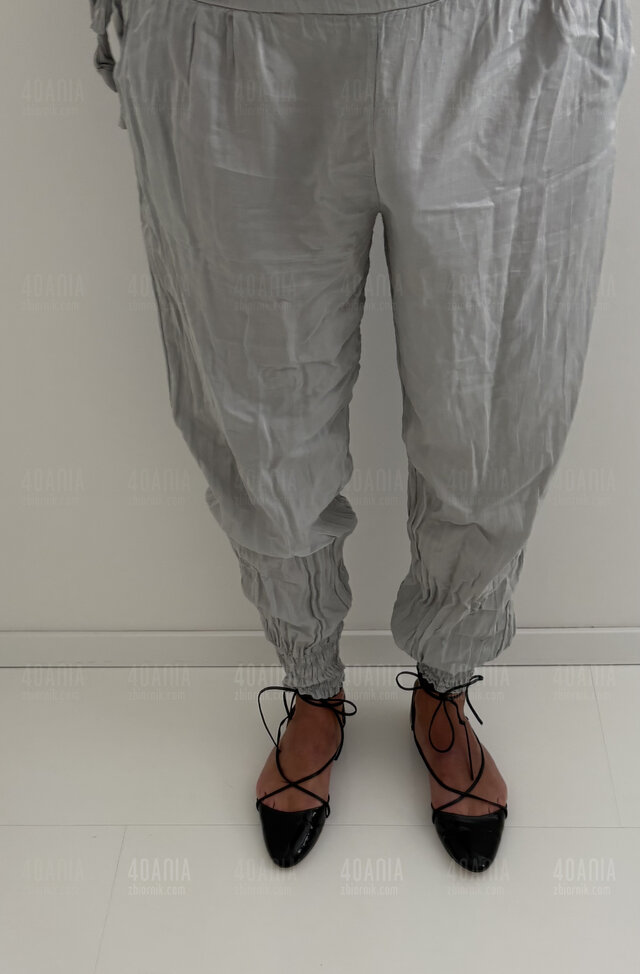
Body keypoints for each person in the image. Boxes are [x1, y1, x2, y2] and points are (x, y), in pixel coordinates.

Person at [89, 0, 633, 872]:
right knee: (260, 420)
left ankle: (444, 688)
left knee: (492, 416)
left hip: (502, 37)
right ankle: (313, 689)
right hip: (228, 32)